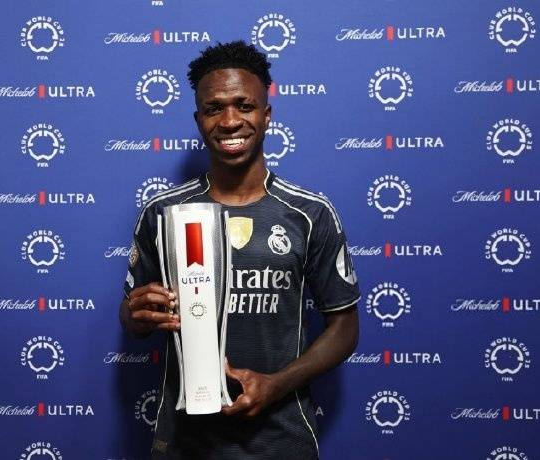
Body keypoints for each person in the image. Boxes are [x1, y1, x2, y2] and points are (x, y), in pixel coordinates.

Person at [120, 41, 360, 459]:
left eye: (244, 106)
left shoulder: (309, 213)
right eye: (214, 109)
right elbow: (131, 318)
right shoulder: (164, 213)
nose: (230, 121)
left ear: (266, 115)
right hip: (186, 444)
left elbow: (345, 328)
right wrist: (136, 315)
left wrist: (275, 386)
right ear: (198, 120)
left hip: (281, 441)